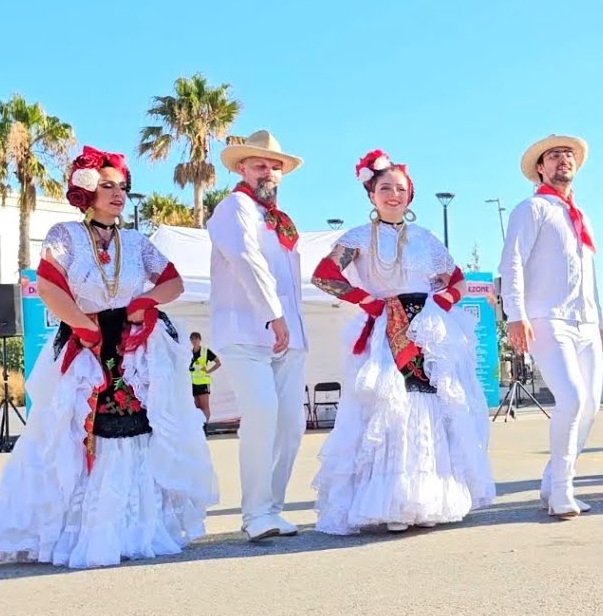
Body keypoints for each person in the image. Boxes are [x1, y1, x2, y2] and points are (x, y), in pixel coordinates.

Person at [0, 146, 217, 568]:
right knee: (71, 431)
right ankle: (79, 530)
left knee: (142, 429)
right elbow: (50, 285)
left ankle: (138, 527)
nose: (117, 194)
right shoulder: (64, 235)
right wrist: (85, 327)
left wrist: (144, 301)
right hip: (85, 342)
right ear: (86, 190)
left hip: (135, 347)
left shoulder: (136, 241)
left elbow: (173, 282)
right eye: (107, 186)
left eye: (122, 187)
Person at [309, 150, 494, 534]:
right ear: (371, 194)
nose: (393, 195)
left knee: (430, 405)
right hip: (385, 326)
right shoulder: (357, 237)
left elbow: (456, 278)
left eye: (401, 189)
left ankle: (429, 498)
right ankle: (389, 500)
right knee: (390, 407)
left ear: (410, 197)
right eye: (385, 188)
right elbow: (324, 275)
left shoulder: (426, 239)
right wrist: (367, 300)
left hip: (428, 327)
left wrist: (442, 301)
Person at [207, 130, 308, 541]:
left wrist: (292, 325)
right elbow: (245, 260)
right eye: (259, 163)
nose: (268, 170)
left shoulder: (279, 220)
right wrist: (275, 315)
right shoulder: (235, 206)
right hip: (246, 330)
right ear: (242, 168)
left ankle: (273, 509)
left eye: (274, 165)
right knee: (263, 413)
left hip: (288, 336)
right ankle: (254, 513)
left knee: (290, 424)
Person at [498, 135, 603, 518]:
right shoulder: (531, 209)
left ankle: (551, 480)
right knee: (572, 398)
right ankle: (562, 489)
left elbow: (588, 276)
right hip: (547, 318)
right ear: (540, 168)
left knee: (591, 404)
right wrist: (516, 315)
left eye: (569, 155)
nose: (564, 160)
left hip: (587, 322)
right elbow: (511, 262)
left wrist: (600, 321)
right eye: (555, 155)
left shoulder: (583, 216)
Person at [189, 332, 221, 423]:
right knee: (196, 405)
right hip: (192, 383)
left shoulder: (205, 351)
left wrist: (208, 371)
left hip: (203, 382)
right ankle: (198, 426)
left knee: (204, 406)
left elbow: (218, 362)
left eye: (196, 338)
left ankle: (205, 425)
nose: (194, 341)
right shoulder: (189, 353)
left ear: (200, 339)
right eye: (192, 339)